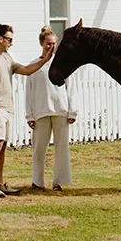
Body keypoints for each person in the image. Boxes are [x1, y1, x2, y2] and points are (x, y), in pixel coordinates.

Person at [0, 23, 54, 199]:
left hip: (7, 108)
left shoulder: (6, 58)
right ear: (0, 39)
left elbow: (26, 70)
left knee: (3, 146)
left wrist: (45, 59)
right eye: (9, 39)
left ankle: (0, 182)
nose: (12, 43)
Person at [25, 26, 77, 191]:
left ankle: (59, 182)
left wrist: (72, 111)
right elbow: (29, 91)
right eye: (48, 43)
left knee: (62, 148)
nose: (51, 47)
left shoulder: (63, 63)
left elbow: (72, 88)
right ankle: (37, 182)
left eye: (54, 43)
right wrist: (29, 115)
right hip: (41, 111)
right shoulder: (34, 65)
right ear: (41, 43)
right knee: (39, 148)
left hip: (61, 110)